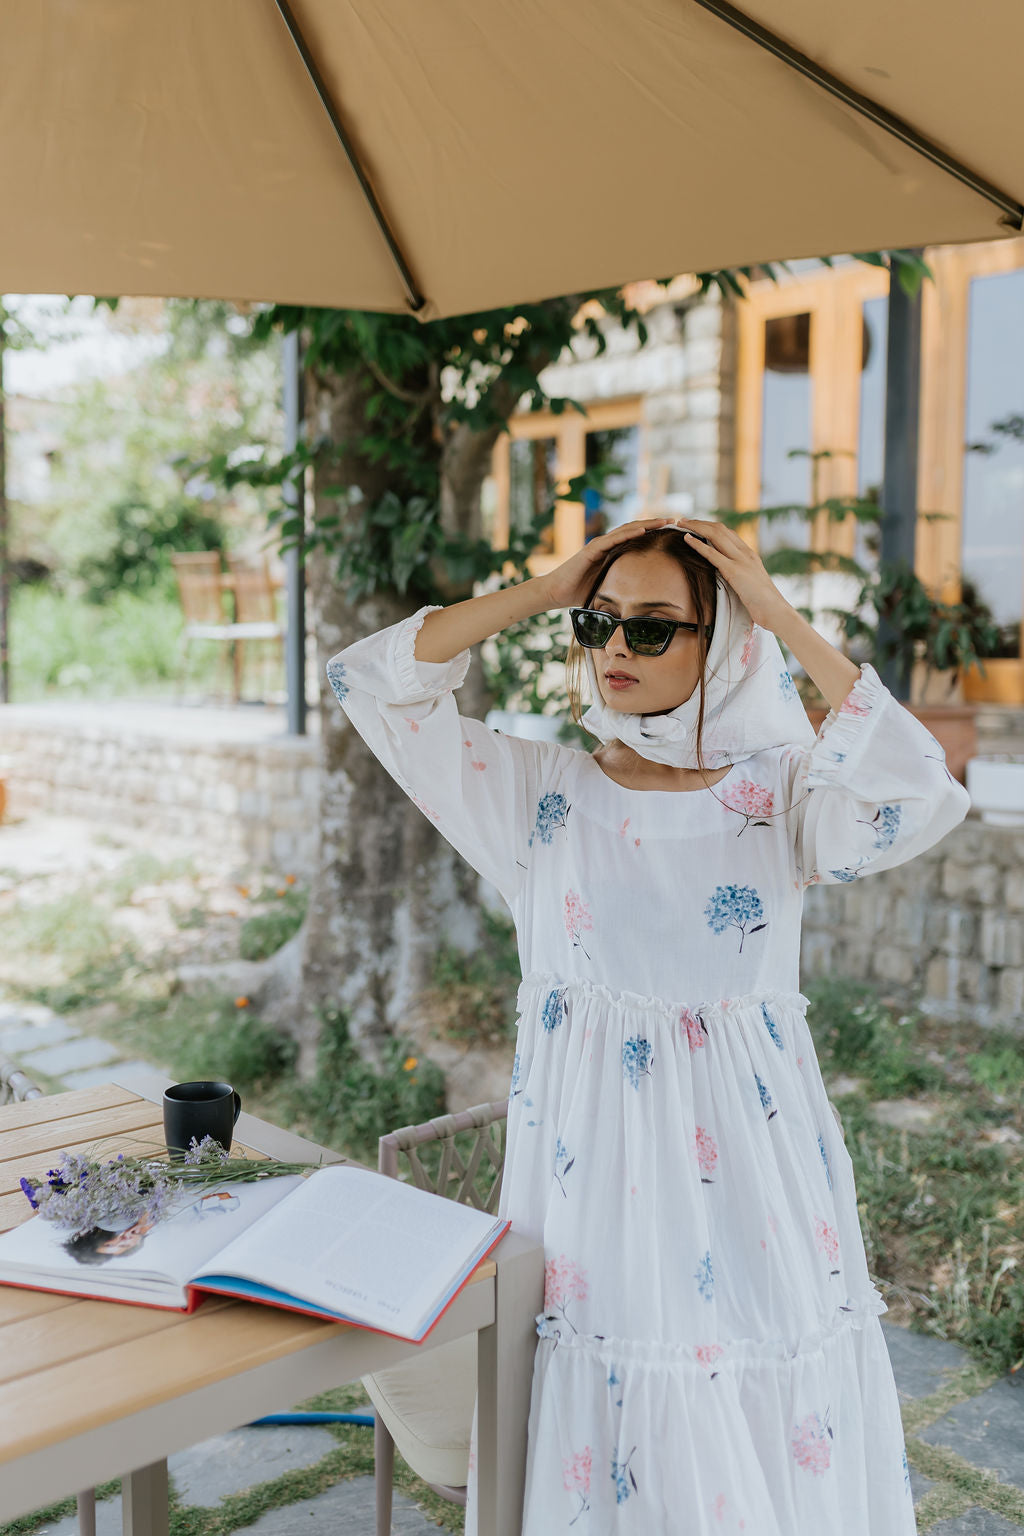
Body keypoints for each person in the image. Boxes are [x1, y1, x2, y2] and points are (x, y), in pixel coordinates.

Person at [326, 516, 968, 1535]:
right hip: (591, 1166)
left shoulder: (783, 794)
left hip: (751, 1169)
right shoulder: (540, 794)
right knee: (609, 1371)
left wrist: (777, 612)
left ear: (727, 645)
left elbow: (921, 789)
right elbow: (372, 681)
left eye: (656, 629)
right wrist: (544, 588)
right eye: (597, 623)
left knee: (754, 1366)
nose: (615, 650)